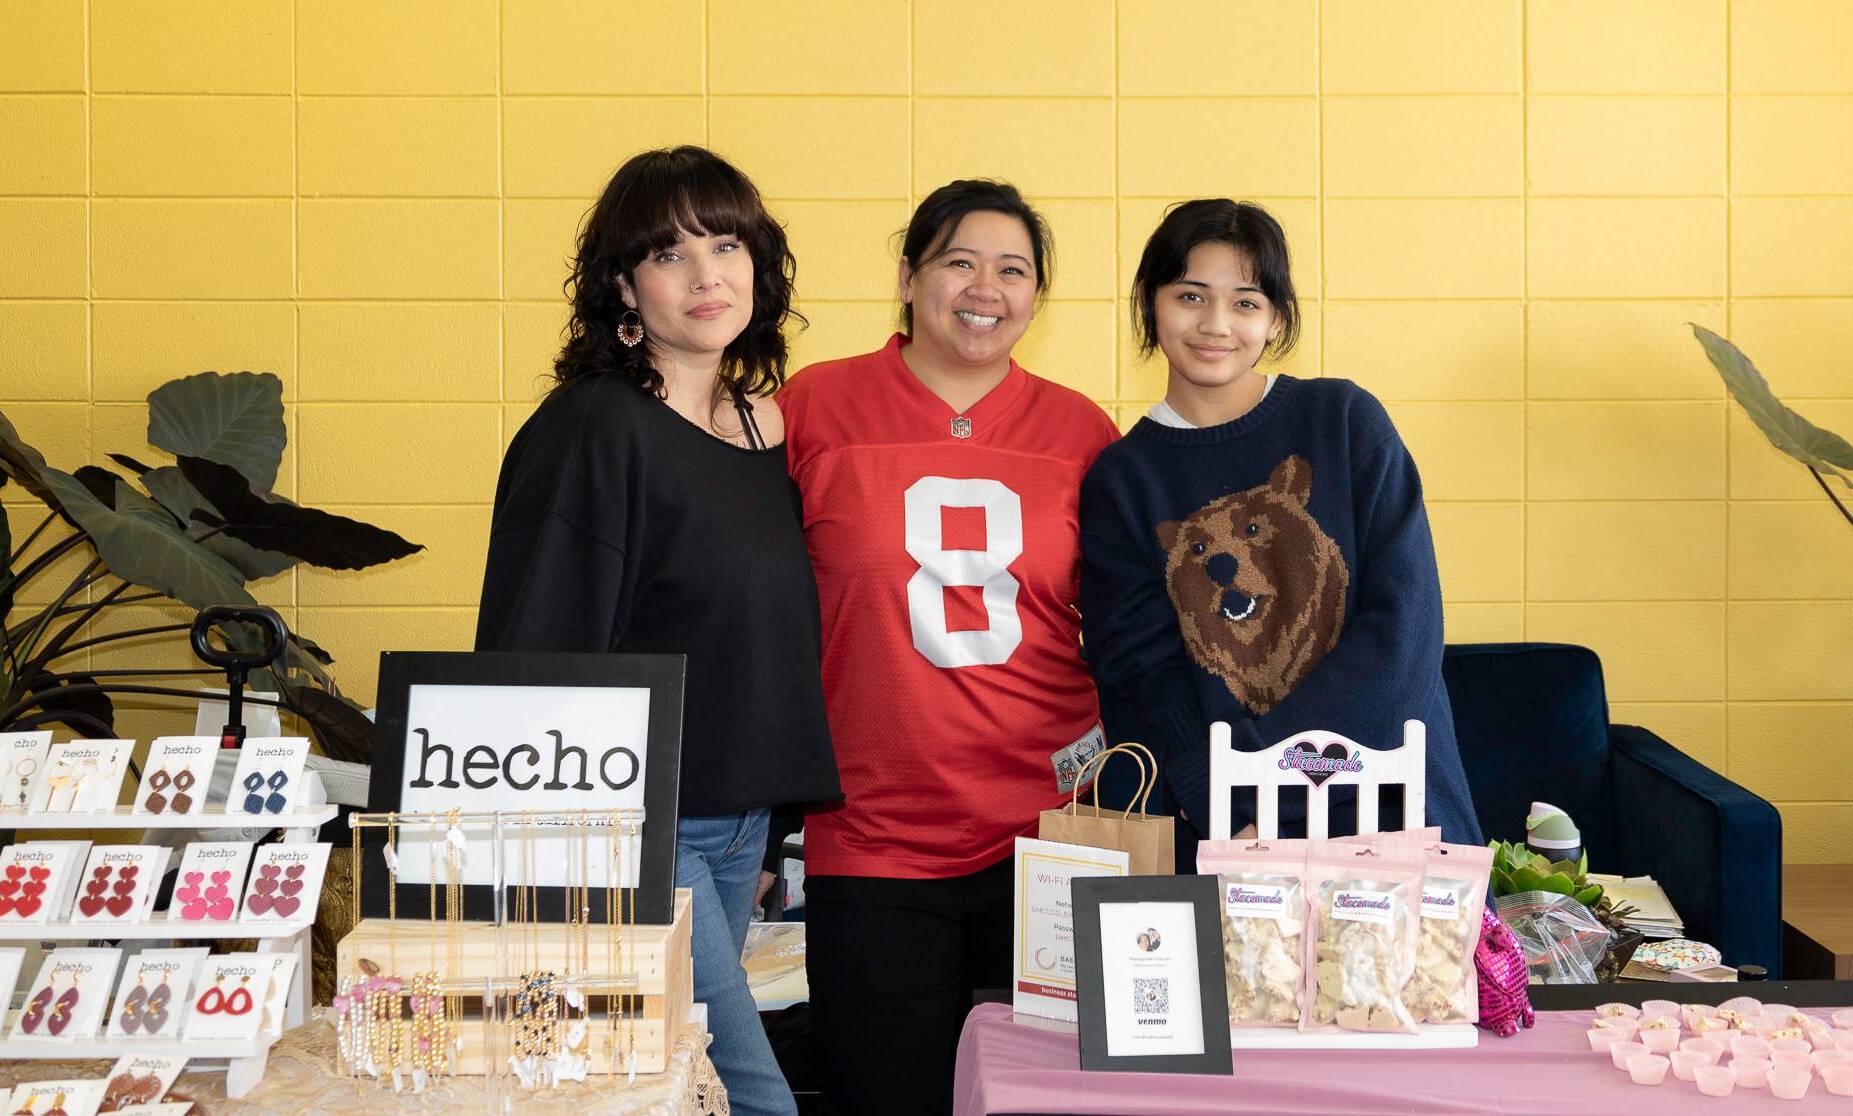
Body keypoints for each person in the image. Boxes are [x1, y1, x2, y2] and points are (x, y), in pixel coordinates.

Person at [475, 145, 838, 1116]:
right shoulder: (592, 427)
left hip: (736, 821)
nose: (707, 274)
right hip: (634, 828)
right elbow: (533, 646)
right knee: (755, 1096)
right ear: (624, 290)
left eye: (726, 244)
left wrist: (766, 834)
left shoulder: (762, 427)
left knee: (670, 1082)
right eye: (670, 254)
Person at [778, 179, 1119, 1115]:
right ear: (906, 276)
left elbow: (1131, 629)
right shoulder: (809, 410)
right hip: (872, 833)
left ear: (1037, 298)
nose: (986, 288)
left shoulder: (1083, 431)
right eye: (958, 261)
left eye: (1013, 270)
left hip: (1055, 830)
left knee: (1058, 1102)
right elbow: (753, 613)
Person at [1079, 199, 1482, 859]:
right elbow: (1140, 677)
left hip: (1388, 811)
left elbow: (1403, 625)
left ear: (1277, 320)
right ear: (1149, 305)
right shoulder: (1122, 479)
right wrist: (1229, 805)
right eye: (1190, 295)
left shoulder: (1344, 421)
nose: (1215, 324)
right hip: (1230, 830)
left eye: (1244, 302)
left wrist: (1275, 786)